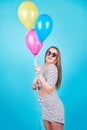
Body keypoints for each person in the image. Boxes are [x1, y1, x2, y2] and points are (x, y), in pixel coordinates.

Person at [32, 46, 64, 130]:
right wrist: (35, 84)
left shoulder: (52, 68)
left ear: (56, 59)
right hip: (46, 108)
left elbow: (50, 89)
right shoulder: (42, 68)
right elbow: (34, 87)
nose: (50, 55)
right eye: (48, 53)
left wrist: (39, 74)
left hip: (54, 108)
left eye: (53, 55)